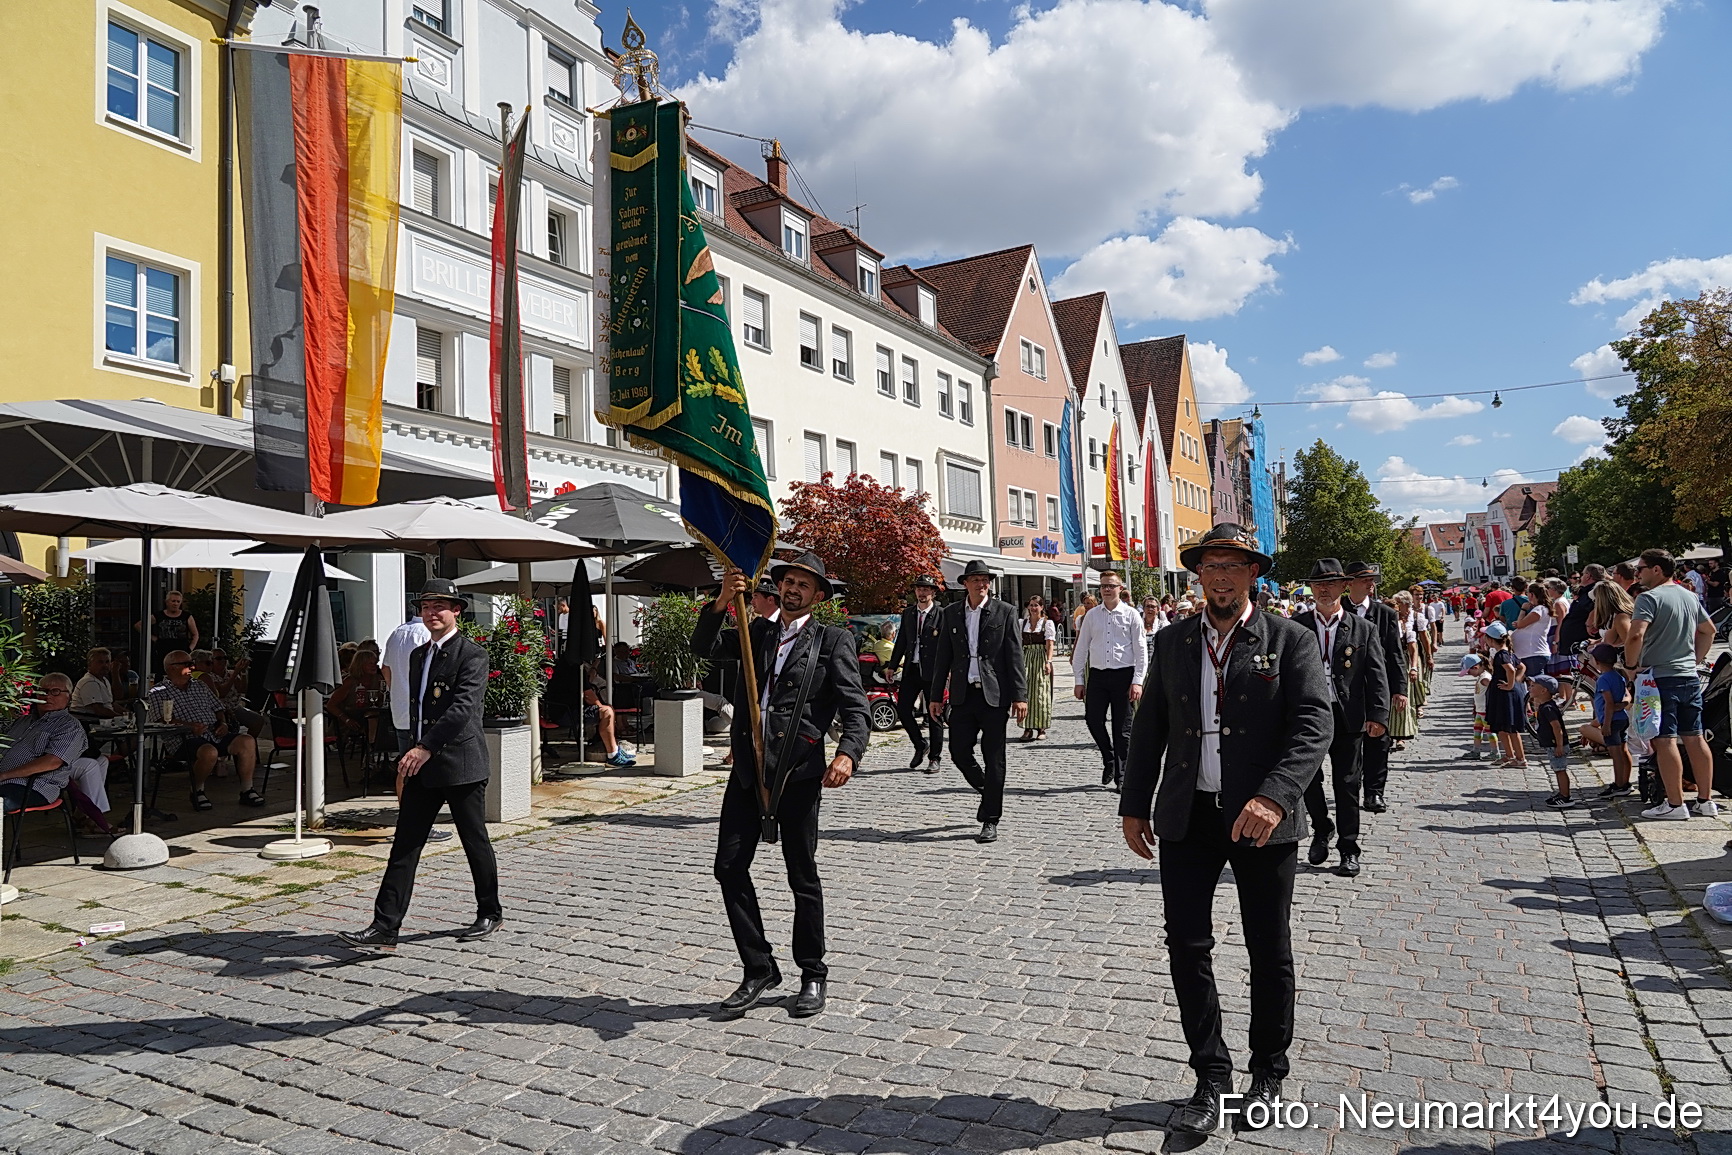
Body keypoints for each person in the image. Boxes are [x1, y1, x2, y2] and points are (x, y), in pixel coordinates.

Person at [1120, 523, 1331, 1134]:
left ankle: (1268, 1070)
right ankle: (1210, 1075)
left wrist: (1276, 796)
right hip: (1189, 816)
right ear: (1198, 575)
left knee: (1269, 947)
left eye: (1231, 566)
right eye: (1210, 566)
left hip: (1261, 819)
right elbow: (1150, 728)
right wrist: (1135, 804)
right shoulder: (1172, 641)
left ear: (1251, 574)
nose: (1219, 577)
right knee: (1187, 945)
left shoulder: (1289, 640)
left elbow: (1313, 724)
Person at [692, 552, 869, 1020]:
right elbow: (701, 647)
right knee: (729, 867)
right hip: (749, 772)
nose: (793, 589)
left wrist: (848, 753)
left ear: (818, 595)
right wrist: (721, 601)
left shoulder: (833, 640)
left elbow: (856, 707)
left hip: (797, 772)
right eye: (788, 581)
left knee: (801, 875)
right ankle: (759, 968)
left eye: (803, 585)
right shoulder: (758, 633)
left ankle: (813, 972)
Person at [341, 579, 502, 952]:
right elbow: (417, 709)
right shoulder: (417, 655)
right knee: (405, 844)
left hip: (460, 762)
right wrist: (414, 747)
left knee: (474, 840)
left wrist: (424, 747)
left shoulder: (472, 654)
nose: (432, 613)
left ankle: (490, 911)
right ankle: (385, 926)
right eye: (426, 607)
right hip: (422, 763)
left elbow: (463, 709)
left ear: (456, 611)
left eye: (439, 606)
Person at [1293, 559, 1388, 879]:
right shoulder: (1296, 625)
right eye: (1318, 584)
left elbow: (1376, 674)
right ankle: (1322, 827)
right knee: (1307, 779)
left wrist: (1378, 714)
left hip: (1347, 714)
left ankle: (1349, 848)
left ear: (1343, 586)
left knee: (1347, 784)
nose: (1324, 589)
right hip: (1308, 714)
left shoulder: (1362, 628)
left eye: (1331, 584)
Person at [929, 559, 1028, 844]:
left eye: (985, 580)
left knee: (994, 757)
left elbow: (1014, 656)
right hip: (963, 694)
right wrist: (935, 696)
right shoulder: (951, 613)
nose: (982, 584)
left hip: (994, 695)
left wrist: (1020, 696)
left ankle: (990, 818)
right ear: (965, 584)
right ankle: (988, 790)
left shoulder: (1005, 612)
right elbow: (943, 657)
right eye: (976, 580)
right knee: (959, 751)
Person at [1622, 549, 1717, 820]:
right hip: (1688, 676)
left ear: (1656, 569)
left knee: (1664, 740)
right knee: (1695, 737)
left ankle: (1675, 804)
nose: (1637, 573)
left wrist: (1631, 667)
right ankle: (1705, 800)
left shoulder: (1649, 598)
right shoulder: (1689, 596)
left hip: (1659, 678)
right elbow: (1708, 630)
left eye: (1641, 568)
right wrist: (1694, 659)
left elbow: (1635, 635)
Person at [0, 673, 116, 834]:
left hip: (32, 786)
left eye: (55, 691)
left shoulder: (69, 726)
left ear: (69, 697)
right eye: (43, 691)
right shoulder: (23, 721)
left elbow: (52, 761)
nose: (47, 696)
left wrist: (5, 775)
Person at [149, 649, 262, 810]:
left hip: (213, 732)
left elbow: (218, 707)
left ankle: (247, 789)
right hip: (183, 738)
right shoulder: (158, 691)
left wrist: (223, 723)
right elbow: (161, 719)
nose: (193, 667)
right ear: (172, 667)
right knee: (209, 752)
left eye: (192, 663)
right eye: (187, 664)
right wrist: (189, 726)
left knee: (247, 741)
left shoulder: (200, 685)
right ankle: (197, 790)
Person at [1072, 571, 1147, 789]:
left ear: (1120, 588)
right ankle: (1109, 757)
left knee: (1122, 728)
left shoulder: (1131, 615)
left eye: (1111, 586)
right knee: (1093, 720)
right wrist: (1078, 679)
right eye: (1103, 585)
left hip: (1124, 675)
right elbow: (1081, 648)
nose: (1106, 589)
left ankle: (1122, 776)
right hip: (1098, 675)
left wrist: (1138, 680)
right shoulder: (1092, 616)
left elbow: (1140, 650)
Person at [1343, 561, 1407, 813]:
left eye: (1372, 580)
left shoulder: (1385, 613)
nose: (1371, 584)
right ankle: (1350, 790)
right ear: (1349, 583)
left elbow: (1395, 653)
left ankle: (1374, 792)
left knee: (1379, 742)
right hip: (1346, 688)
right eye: (1365, 580)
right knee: (1349, 744)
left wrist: (1400, 689)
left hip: (1378, 687)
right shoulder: (1339, 609)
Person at [381, 609, 448, 843]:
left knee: (405, 767)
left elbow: (385, 668)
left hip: (401, 711)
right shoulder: (427, 634)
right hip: (421, 713)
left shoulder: (396, 633)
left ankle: (409, 822)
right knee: (421, 769)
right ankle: (419, 824)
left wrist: (397, 692)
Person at [886, 576, 946, 768]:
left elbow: (948, 645)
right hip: (911, 669)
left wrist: (949, 670)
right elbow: (902, 641)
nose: (922, 593)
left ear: (933, 593)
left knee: (934, 714)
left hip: (933, 671)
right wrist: (892, 665)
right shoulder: (909, 613)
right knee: (903, 709)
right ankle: (920, 744)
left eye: (926, 590)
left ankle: (934, 758)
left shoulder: (942, 614)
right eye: (919, 589)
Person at [1580, 643, 1632, 795]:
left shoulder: (1603, 679)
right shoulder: (1618, 676)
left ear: (1597, 661)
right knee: (1623, 750)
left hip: (1612, 721)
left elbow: (1608, 703)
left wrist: (1606, 724)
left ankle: (1619, 785)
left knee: (1616, 754)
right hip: (1622, 718)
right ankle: (1625, 782)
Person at [1482, 622, 1526, 768]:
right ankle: (1509, 755)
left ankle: (1520, 758)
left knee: (1511, 728)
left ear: (1490, 639)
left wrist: (1511, 684)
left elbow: (1511, 670)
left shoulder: (1502, 655)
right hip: (1502, 694)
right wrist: (1517, 681)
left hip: (1505, 695)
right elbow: (1522, 667)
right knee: (1501, 727)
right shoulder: (1509, 653)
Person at [1017, 595, 1055, 742]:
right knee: (1025, 692)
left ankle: (1041, 728)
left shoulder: (1047, 623)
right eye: (1031, 605)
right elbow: (1018, 643)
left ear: (1041, 607)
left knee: (1040, 692)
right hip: (1026, 657)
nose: (1033, 608)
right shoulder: (1022, 623)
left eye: (1036, 605)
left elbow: (1049, 644)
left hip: (1040, 658)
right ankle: (1027, 727)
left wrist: (1048, 661)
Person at [140, 589, 198, 667]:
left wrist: (190, 649)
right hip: (163, 649)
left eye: (178, 601)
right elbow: (139, 625)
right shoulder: (159, 615)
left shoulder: (186, 616)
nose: (175, 604)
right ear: (167, 602)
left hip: (181, 649)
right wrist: (152, 637)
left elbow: (195, 634)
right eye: (173, 601)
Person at [71, 648, 123, 719]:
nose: (105, 665)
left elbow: (111, 704)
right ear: (89, 665)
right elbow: (99, 710)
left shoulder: (104, 680)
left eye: (107, 662)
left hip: (104, 721)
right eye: (100, 662)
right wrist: (121, 718)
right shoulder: (89, 682)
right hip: (91, 722)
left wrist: (129, 714)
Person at [1589, 580, 1634, 648]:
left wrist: (1595, 647)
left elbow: (1630, 643)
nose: (1595, 603)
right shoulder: (1613, 615)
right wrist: (1596, 642)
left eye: (1595, 600)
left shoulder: (1621, 617)